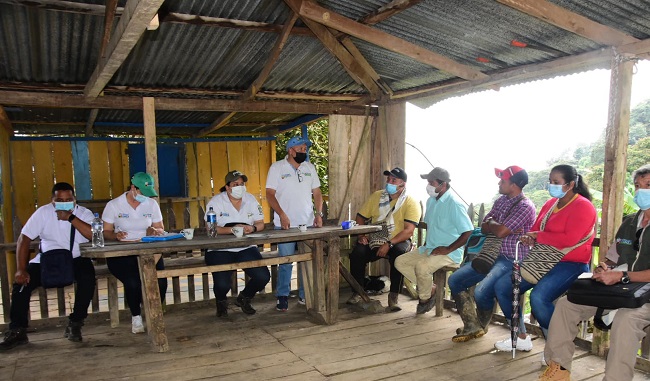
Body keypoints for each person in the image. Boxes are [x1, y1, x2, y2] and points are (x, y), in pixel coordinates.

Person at [539, 164, 650, 381]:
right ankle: (558, 369)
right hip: (621, 289)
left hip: (644, 295)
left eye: (648, 185)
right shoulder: (629, 223)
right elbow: (614, 256)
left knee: (626, 320)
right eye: (638, 186)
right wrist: (605, 267)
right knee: (565, 305)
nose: (641, 191)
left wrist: (622, 276)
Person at [493, 164, 596, 352]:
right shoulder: (550, 205)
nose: (551, 185)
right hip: (543, 258)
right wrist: (531, 236)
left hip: (572, 263)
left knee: (539, 298)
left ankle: (556, 348)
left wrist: (538, 236)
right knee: (503, 287)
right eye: (550, 181)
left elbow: (570, 239)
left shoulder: (583, 206)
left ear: (570, 184)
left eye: (556, 182)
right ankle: (521, 336)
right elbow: (538, 228)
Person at [0, 182, 96, 349]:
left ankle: (75, 323)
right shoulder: (43, 213)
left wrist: (70, 217)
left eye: (68, 199)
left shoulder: (84, 213)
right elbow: (24, 239)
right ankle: (18, 330)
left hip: (75, 258)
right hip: (48, 259)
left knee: (88, 278)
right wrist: (21, 269)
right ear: (52, 201)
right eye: (60, 199)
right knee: (21, 285)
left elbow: (93, 236)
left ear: (74, 200)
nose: (64, 202)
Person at [448, 166, 536, 342]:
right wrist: (498, 226)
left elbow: (501, 231)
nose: (499, 182)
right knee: (455, 280)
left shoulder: (525, 207)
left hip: (511, 259)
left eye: (503, 180)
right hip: (489, 255)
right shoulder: (500, 201)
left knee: (481, 292)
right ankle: (472, 324)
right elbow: (484, 224)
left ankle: (512, 332)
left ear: (514, 185)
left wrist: (497, 226)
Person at [395, 167, 473, 315]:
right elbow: (433, 227)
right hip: (430, 248)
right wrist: (425, 246)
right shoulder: (431, 201)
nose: (428, 186)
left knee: (422, 267)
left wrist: (448, 249)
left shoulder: (454, 204)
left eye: (431, 183)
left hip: (450, 253)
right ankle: (431, 289)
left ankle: (424, 299)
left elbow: (468, 232)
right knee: (400, 262)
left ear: (443, 185)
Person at [347, 167, 422, 312]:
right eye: (388, 179)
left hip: (398, 239)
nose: (389, 182)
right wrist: (361, 236)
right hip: (375, 237)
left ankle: (393, 295)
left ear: (403, 184)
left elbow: (408, 231)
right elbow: (360, 217)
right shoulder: (377, 196)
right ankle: (358, 291)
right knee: (358, 253)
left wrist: (389, 244)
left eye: (394, 180)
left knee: (399, 255)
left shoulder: (410, 202)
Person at [101, 172, 168, 334]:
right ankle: (136, 316)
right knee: (133, 282)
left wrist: (154, 230)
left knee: (160, 281)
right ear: (133, 188)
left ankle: (153, 311)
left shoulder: (151, 204)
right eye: (142, 193)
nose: (145, 197)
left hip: (148, 250)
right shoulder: (114, 205)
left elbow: (160, 227)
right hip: (121, 253)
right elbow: (106, 231)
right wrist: (115, 236)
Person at [266, 136, 323, 311]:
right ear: (291, 150)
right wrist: (281, 214)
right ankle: (282, 296)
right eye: (301, 149)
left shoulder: (309, 167)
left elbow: (317, 192)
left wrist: (319, 214)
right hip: (285, 225)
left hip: (307, 223)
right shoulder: (277, 168)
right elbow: (269, 194)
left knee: (306, 261)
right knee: (286, 261)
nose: (304, 152)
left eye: (305, 149)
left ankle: (304, 295)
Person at [205, 170, 270, 317]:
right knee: (222, 285)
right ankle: (221, 302)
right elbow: (211, 229)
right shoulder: (216, 202)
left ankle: (244, 298)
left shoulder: (251, 199)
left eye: (242, 184)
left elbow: (260, 223)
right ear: (227, 187)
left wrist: (252, 228)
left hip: (245, 247)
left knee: (263, 276)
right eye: (235, 184)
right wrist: (231, 230)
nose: (240, 187)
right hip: (219, 249)